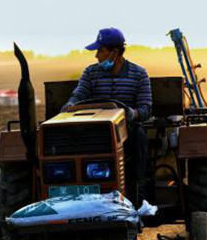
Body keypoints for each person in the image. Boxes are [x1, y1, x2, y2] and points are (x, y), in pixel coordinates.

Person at [63, 27, 152, 203]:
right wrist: (69, 105)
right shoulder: (91, 72)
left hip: (126, 131)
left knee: (139, 135)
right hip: (96, 129)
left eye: (100, 50)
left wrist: (131, 113)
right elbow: (79, 94)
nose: (96, 56)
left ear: (115, 52)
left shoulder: (139, 74)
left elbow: (146, 109)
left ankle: (137, 193)